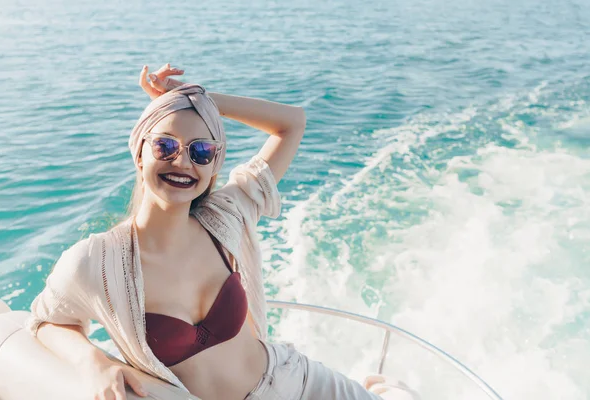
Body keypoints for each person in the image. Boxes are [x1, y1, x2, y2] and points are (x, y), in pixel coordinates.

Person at [26, 63, 414, 400]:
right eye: (165, 146)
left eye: (201, 152)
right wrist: (92, 360)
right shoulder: (97, 260)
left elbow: (291, 123)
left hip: (297, 382)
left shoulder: (225, 217)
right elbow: (47, 320)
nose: (182, 162)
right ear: (139, 151)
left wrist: (197, 98)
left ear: (214, 165)